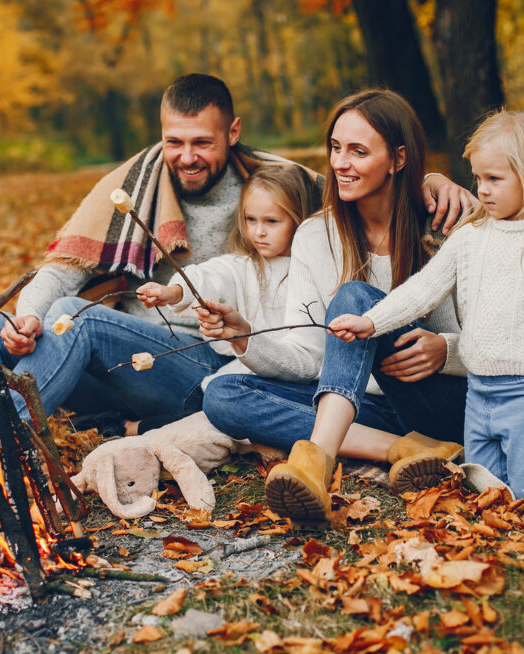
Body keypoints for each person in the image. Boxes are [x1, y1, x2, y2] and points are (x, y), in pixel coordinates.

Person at [0, 75, 474, 434]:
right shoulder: (132, 185)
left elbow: (361, 190)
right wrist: (25, 318)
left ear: (233, 132)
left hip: (204, 357)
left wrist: (428, 185)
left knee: (77, 319)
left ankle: (1, 449)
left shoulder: (280, 183)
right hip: (139, 360)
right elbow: (60, 271)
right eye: (174, 142)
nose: (186, 156)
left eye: (202, 142)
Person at [200, 89, 474, 522]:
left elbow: (501, 340)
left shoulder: (445, 224)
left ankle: (317, 462)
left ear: (398, 159)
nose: (340, 164)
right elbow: (309, 357)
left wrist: (447, 351)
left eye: (358, 151)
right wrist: (244, 336)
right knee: (223, 394)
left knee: (353, 297)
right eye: (335, 148)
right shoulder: (315, 236)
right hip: (364, 409)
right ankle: (407, 450)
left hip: (441, 398)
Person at [328, 109, 524, 501]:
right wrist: (371, 322)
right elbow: (423, 289)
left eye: (494, 179)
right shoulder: (471, 235)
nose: (481, 190)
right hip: (479, 392)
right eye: (477, 178)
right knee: (483, 485)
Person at [137, 163, 318, 393]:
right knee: (216, 390)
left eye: (271, 221)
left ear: (300, 219)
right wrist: (174, 292)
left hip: (303, 375)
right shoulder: (244, 266)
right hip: (251, 369)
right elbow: (211, 276)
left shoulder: (314, 269)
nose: (258, 232)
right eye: (251, 219)